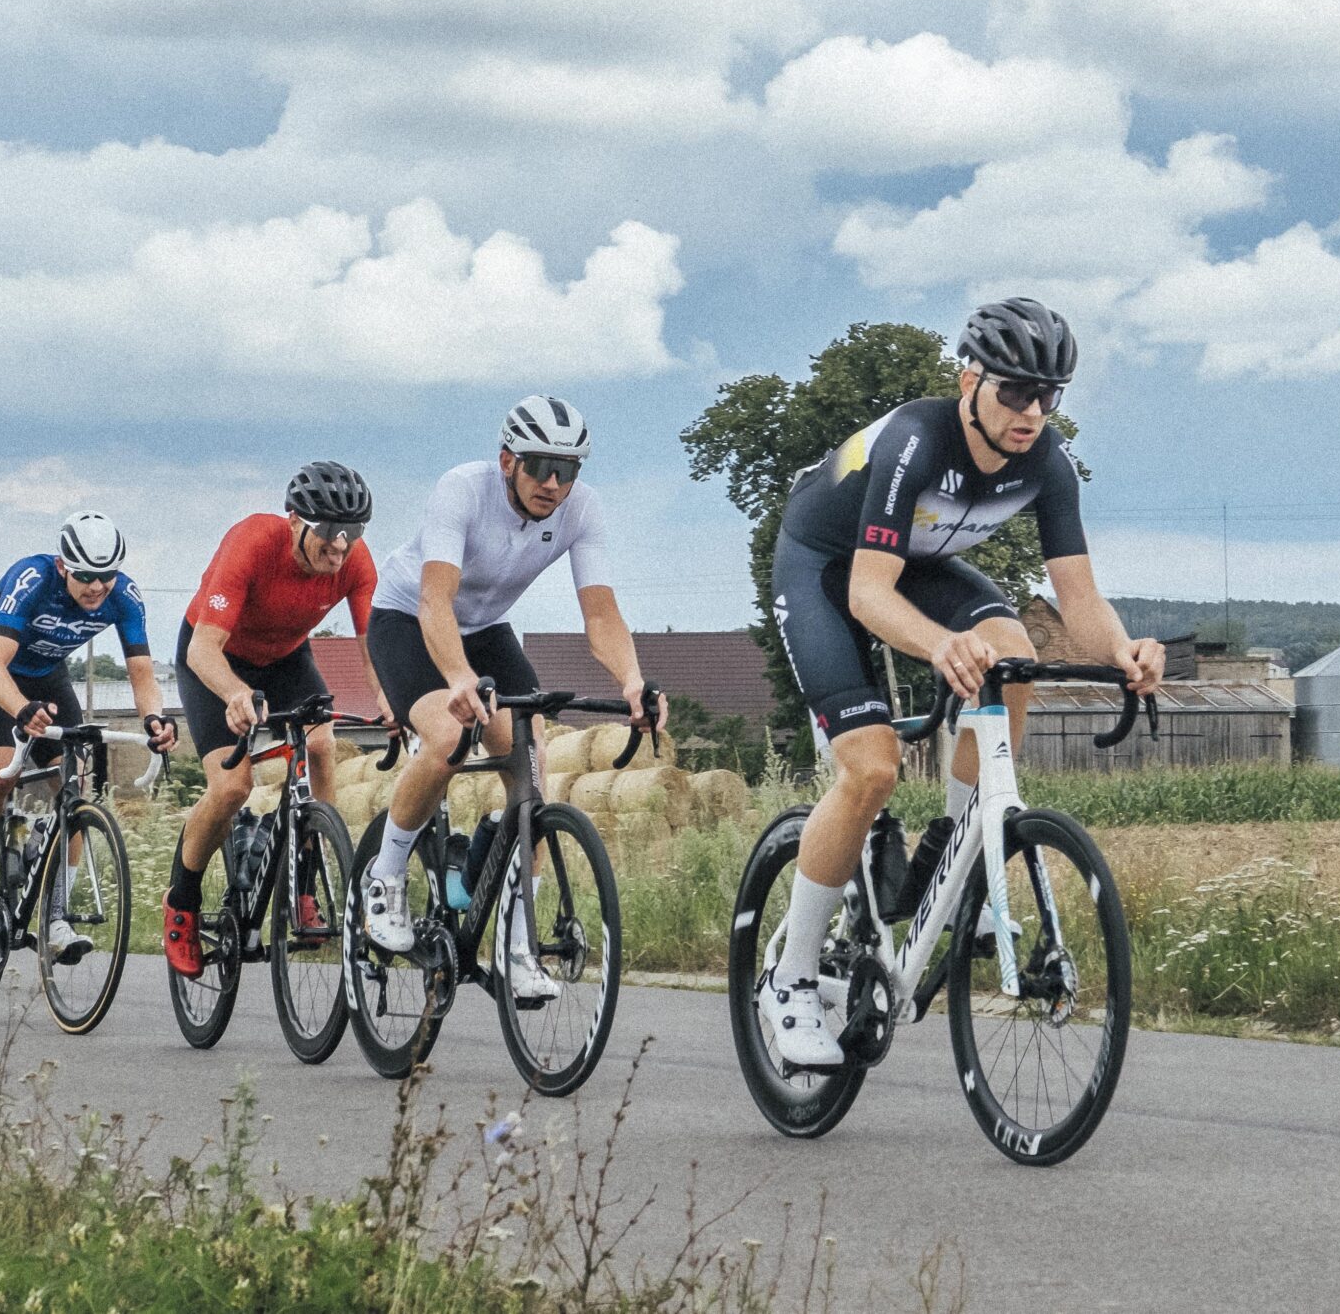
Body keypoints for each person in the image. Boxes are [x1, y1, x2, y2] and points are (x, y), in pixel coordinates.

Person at [755, 298, 1164, 1066]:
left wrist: (1124, 650)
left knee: (1013, 654)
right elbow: (867, 593)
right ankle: (791, 978)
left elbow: (1078, 600)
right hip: (825, 568)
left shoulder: (1047, 464)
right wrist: (942, 644)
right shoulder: (916, 439)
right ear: (969, 380)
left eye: (1049, 395)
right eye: (1016, 391)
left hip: (915, 562)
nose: (1032, 411)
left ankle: (952, 862)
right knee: (872, 768)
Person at [357, 395, 659, 1002]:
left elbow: (601, 614)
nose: (554, 484)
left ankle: (518, 946)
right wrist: (458, 678)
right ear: (506, 461)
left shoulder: (581, 509)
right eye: (541, 467)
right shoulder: (462, 490)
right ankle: (383, 877)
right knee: (448, 737)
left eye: (568, 470)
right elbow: (435, 601)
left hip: (487, 629)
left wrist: (632, 679)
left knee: (532, 768)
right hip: (408, 619)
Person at [161, 463, 383, 979]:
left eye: (353, 532)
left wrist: (393, 700)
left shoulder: (354, 560)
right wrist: (235, 693)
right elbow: (202, 649)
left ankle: (306, 880)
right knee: (232, 787)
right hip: (215, 658)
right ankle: (182, 902)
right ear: (295, 521)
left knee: (322, 745)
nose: (340, 546)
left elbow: (375, 649)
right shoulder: (252, 542)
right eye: (329, 531)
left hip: (285, 659)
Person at [0, 513, 177, 958]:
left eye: (106, 576)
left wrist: (154, 719)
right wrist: (20, 710)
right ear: (64, 566)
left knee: (74, 789)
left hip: (48, 678)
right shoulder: (32, 579)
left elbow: (142, 673)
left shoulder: (124, 596)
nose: (97, 587)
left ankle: (55, 917)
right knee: (0, 775)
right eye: (85, 576)